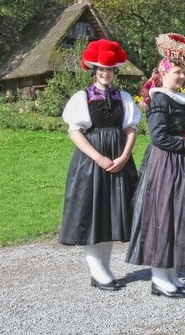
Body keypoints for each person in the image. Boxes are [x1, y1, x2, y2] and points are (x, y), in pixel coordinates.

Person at [126, 33, 185, 298]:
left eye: (183, 71)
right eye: (177, 71)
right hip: (165, 165)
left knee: (179, 215)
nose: (181, 76)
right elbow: (158, 137)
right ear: (163, 74)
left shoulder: (177, 99)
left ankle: (171, 274)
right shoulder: (160, 99)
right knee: (164, 216)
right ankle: (159, 278)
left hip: (181, 165)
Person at [59, 39, 140, 292]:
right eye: (101, 70)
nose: (106, 74)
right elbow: (75, 133)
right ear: (94, 71)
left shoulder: (123, 97)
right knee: (94, 214)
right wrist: (99, 157)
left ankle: (104, 270)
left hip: (119, 159)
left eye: (110, 70)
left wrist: (125, 156)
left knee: (111, 215)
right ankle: (97, 270)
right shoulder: (81, 98)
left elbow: (130, 128)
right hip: (92, 163)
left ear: (115, 71)